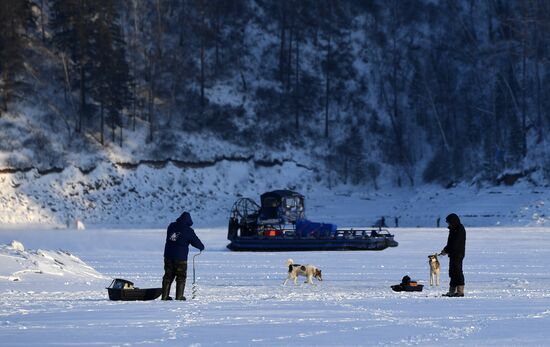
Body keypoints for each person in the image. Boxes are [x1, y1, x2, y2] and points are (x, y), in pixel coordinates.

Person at [162, 211, 205, 301]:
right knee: (181, 277)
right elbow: (196, 242)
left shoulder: (171, 226)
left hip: (168, 256)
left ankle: (165, 296)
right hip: (180, 258)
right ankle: (179, 296)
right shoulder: (188, 230)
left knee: (168, 276)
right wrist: (201, 247)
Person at [440, 213, 466, 297]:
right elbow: (450, 243)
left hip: (458, 254)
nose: (448, 224)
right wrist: (445, 249)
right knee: (452, 272)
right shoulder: (453, 229)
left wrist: (447, 250)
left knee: (458, 272)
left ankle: (460, 291)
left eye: (449, 222)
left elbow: (455, 243)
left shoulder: (459, 229)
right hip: (453, 254)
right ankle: (452, 291)